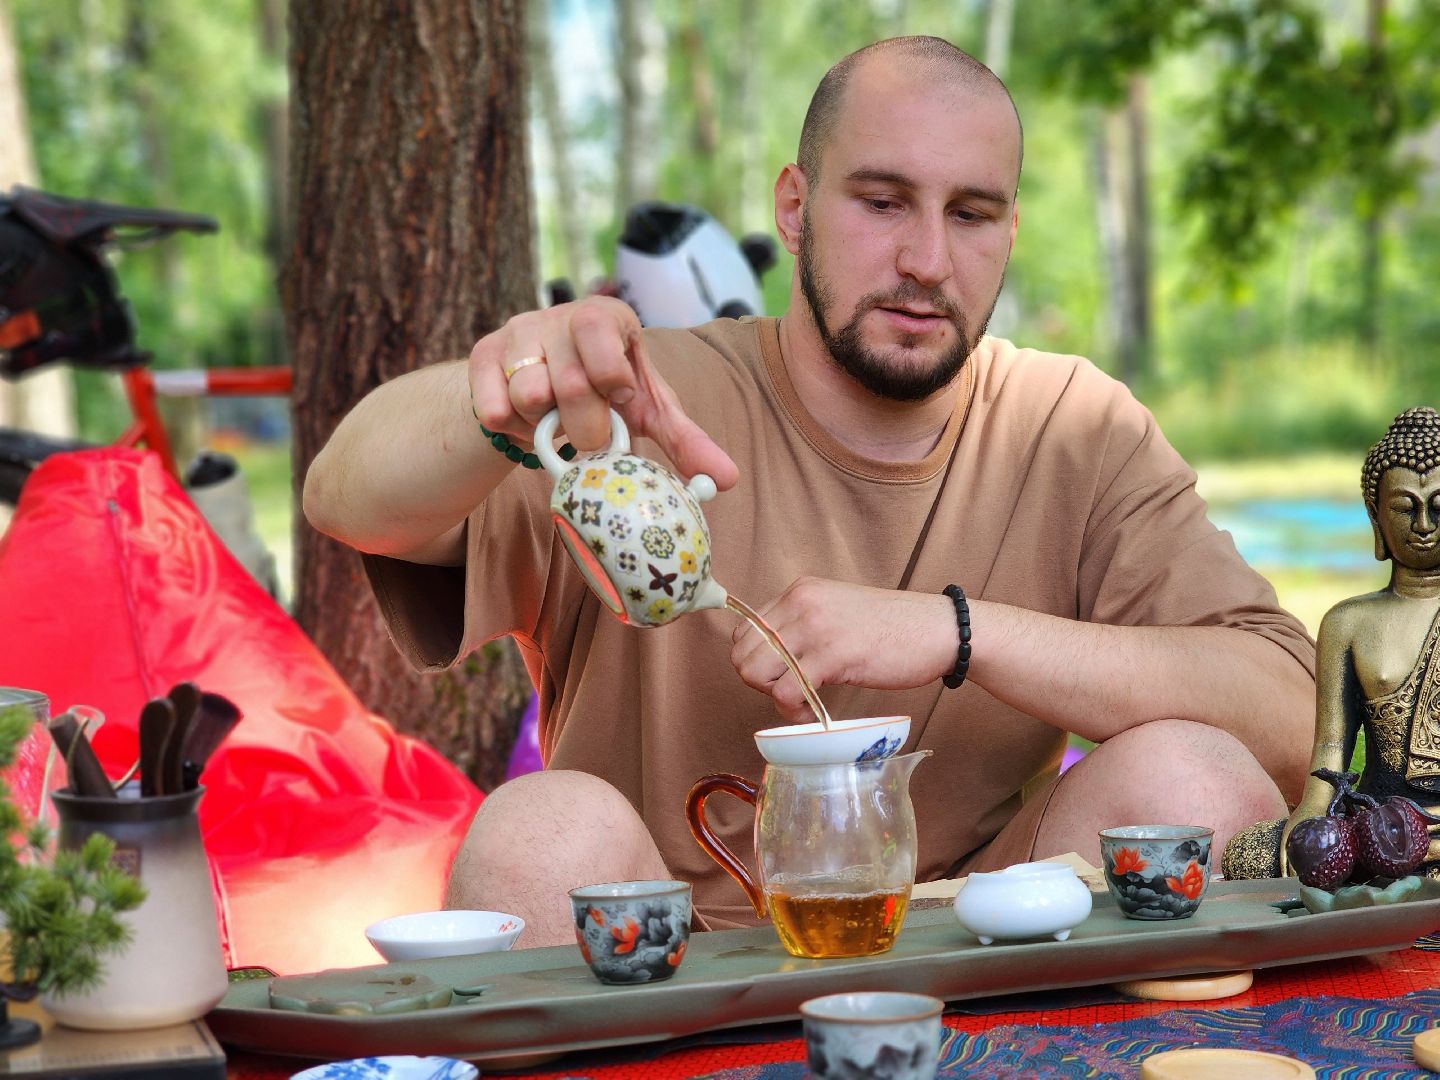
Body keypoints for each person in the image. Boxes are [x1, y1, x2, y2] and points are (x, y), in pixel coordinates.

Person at [304, 36, 1317, 947]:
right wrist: (505, 398)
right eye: (881, 202)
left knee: (1187, 774)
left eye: (971, 213)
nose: (926, 260)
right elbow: (345, 499)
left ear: (1010, 230)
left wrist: (960, 633)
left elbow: (1290, 713)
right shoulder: (636, 402)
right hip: (649, 956)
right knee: (538, 826)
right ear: (794, 208)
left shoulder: (1072, 427)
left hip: (987, 946)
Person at [1224, 406, 1440, 879]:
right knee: (1250, 855)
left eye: (1439, 505)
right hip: (1380, 824)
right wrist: (1311, 812)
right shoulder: (1348, 622)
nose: (1424, 524)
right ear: (1376, 519)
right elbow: (1330, 747)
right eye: (1406, 507)